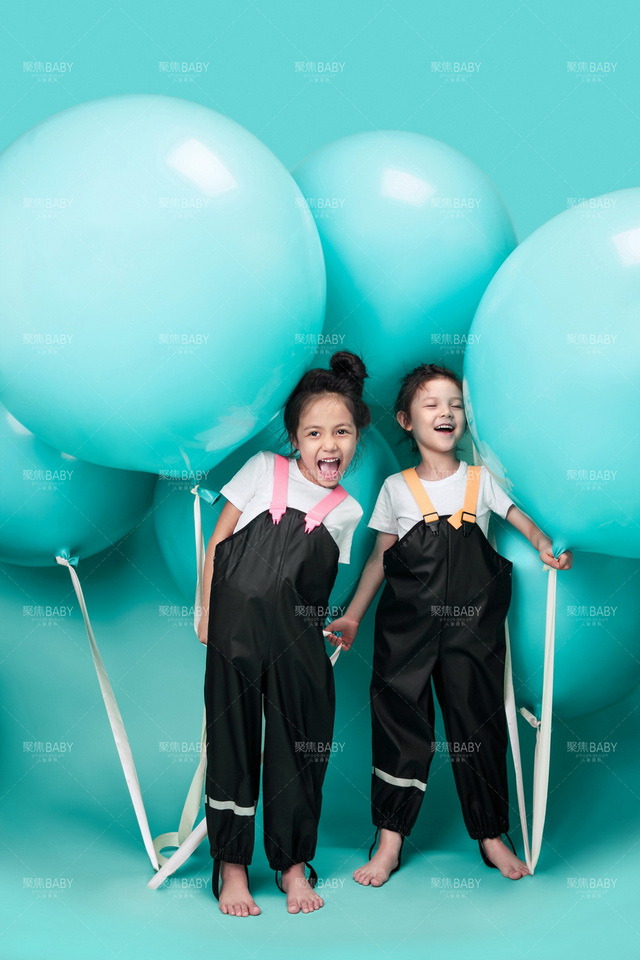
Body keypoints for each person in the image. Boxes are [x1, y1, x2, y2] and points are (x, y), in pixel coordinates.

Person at [325, 362, 573, 886]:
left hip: (473, 630)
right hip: (405, 632)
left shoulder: (482, 481)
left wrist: (544, 546)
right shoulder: (396, 488)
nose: (446, 412)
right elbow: (379, 559)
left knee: (477, 725)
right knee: (398, 725)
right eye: (432, 404)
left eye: (456, 404)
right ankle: (389, 840)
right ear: (406, 420)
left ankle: (491, 836)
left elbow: (523, 522)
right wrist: (352, 615)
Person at [197, 351, 370, 916]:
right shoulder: (262, 469)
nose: (329, 443)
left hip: (298, 643)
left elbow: (313, 581)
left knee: (300, 744)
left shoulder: (347, 510)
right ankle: (232, 866)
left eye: (341, 431)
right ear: (295, 439)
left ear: (356, 438)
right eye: (314, 432)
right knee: (232, 741)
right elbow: (218, 542)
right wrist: (204, 610)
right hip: (235, 633)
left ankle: (292, 864)